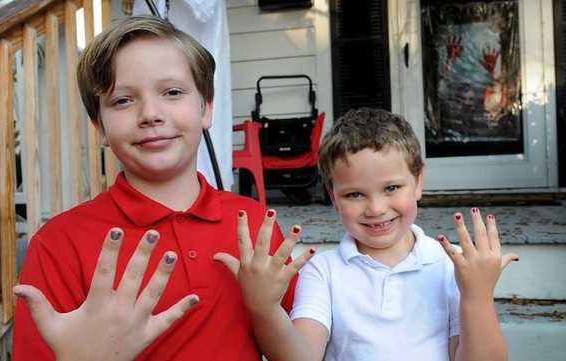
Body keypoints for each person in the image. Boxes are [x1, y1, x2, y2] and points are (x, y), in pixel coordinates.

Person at [12, 15, 311, 361]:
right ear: (100, 127)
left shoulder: (255, 225)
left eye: (172, 92)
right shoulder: (59, 245)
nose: (150, 113)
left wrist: (264, 310)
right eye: (123, 100)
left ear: (207, 108)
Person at [215, 108, 519, 361]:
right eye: (355, 194)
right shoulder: (324, 272)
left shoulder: (453, 265)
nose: (375, 208)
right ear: (333, 197)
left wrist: (477, 297)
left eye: (391, 188)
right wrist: (265, 308)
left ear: (418, 182)